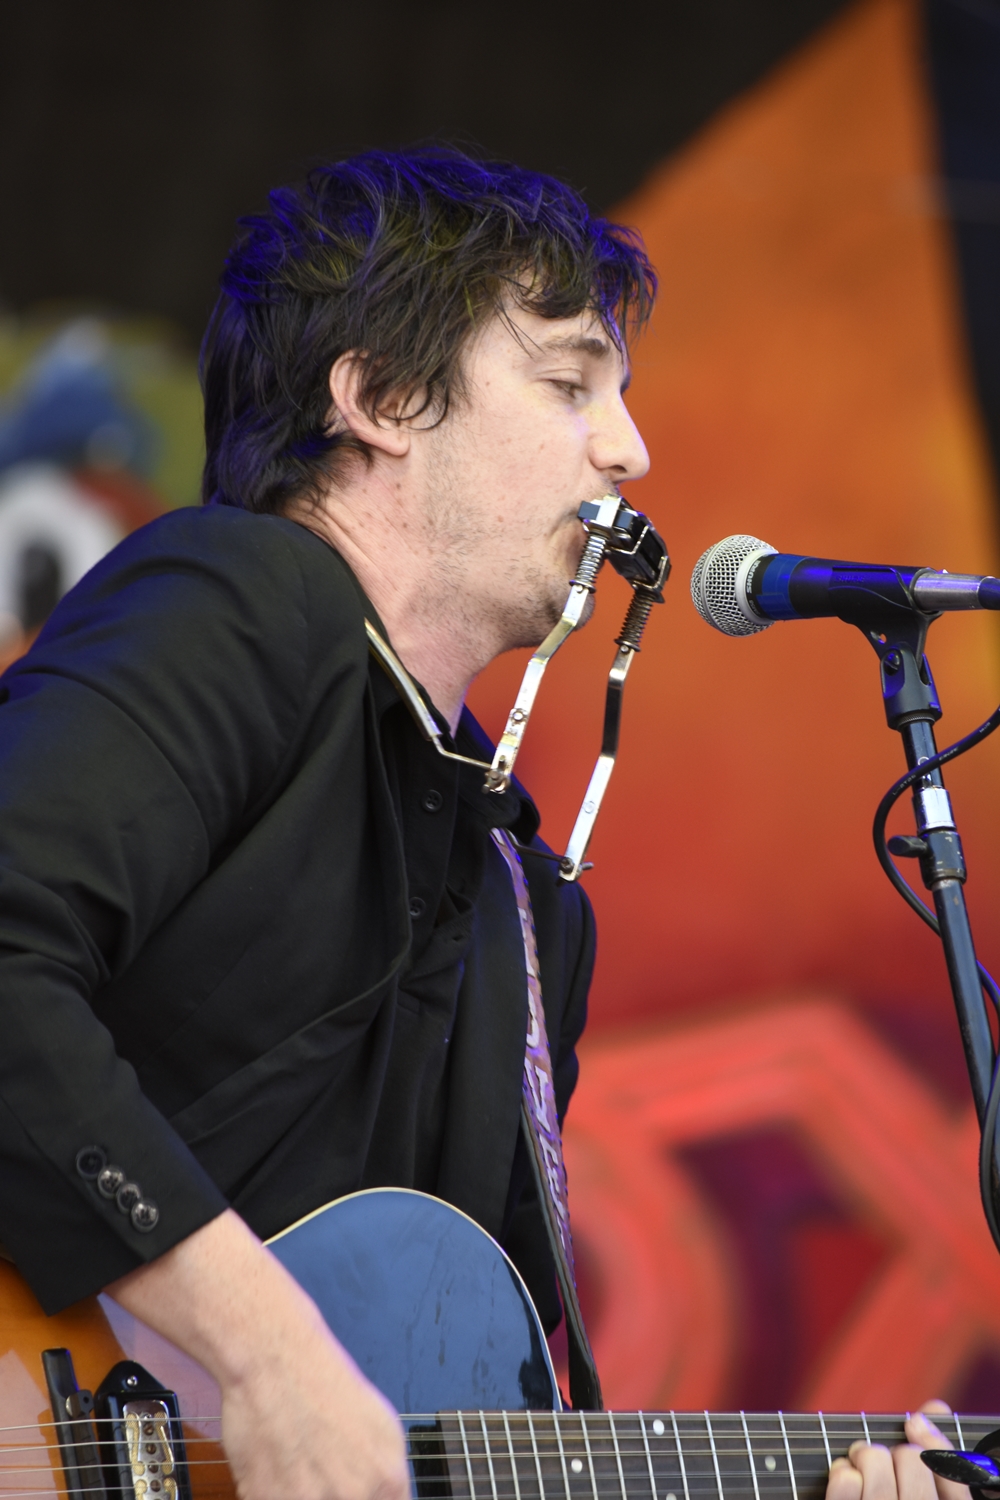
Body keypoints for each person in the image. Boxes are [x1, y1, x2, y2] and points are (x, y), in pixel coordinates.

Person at [0, 151, 964, 1500]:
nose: (629, 450)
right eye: (570, 384)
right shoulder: (239, 602)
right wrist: (264, 1355)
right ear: (381, 399)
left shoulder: (529, 902)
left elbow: (470, 1442)